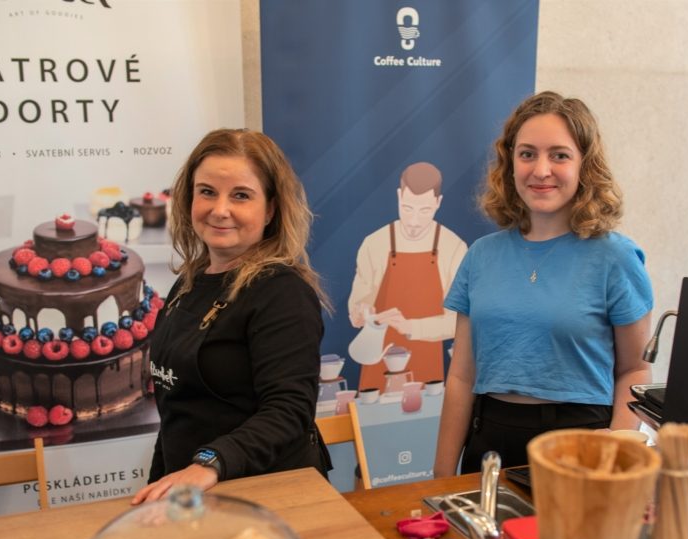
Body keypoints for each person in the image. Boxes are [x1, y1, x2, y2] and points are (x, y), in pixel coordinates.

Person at [434, 92, 654, 476]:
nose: (541, 170)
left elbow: (634, 371)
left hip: (583, 444)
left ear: (585, 165)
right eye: (527, 154)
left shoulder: (616, 257)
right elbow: (461, 376)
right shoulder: (481, 255)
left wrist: (614, 456)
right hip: (489, 441)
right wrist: (440, 475)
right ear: (510, 163)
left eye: (559, 155)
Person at [132, 129, 331, 504]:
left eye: (241, 195)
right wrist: (159, 489)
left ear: (270, 209)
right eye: (207, 191)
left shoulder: (282, 292)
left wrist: (208, 465)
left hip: (271, 501)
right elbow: (177, 412)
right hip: (195, 499)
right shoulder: (188, 284)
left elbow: (288, 412)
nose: (220, 209)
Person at [348, 162, 467, 391]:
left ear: (438, 203)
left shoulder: (453, 247)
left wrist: (410, 326)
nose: (413, 222)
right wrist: (362, 312)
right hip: (378, 360)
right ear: (398, 196)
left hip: (427, 365)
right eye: (407, 208)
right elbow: (358, 305)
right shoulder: (374, 243)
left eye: (424, 211)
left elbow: (458, 322)